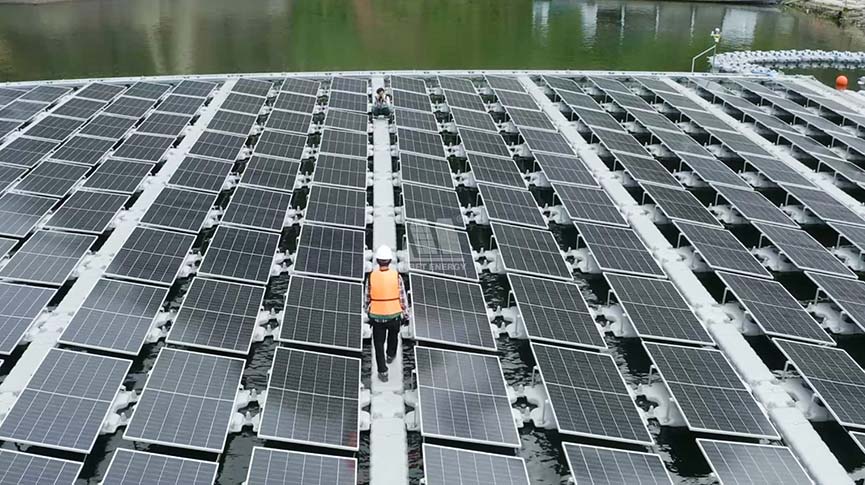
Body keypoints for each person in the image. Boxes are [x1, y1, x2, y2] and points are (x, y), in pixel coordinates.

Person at [367, 245, 407, 382]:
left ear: (377, 261)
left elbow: (368, 297)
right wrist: (405, 314)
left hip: (377, 317)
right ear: (390, 261)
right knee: (393, 336)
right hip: (394, 315)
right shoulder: (396, 276)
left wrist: (369, 311)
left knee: (378, 344)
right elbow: (402, 297)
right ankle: (390, 355)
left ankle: (383, 372)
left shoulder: (372, 277)